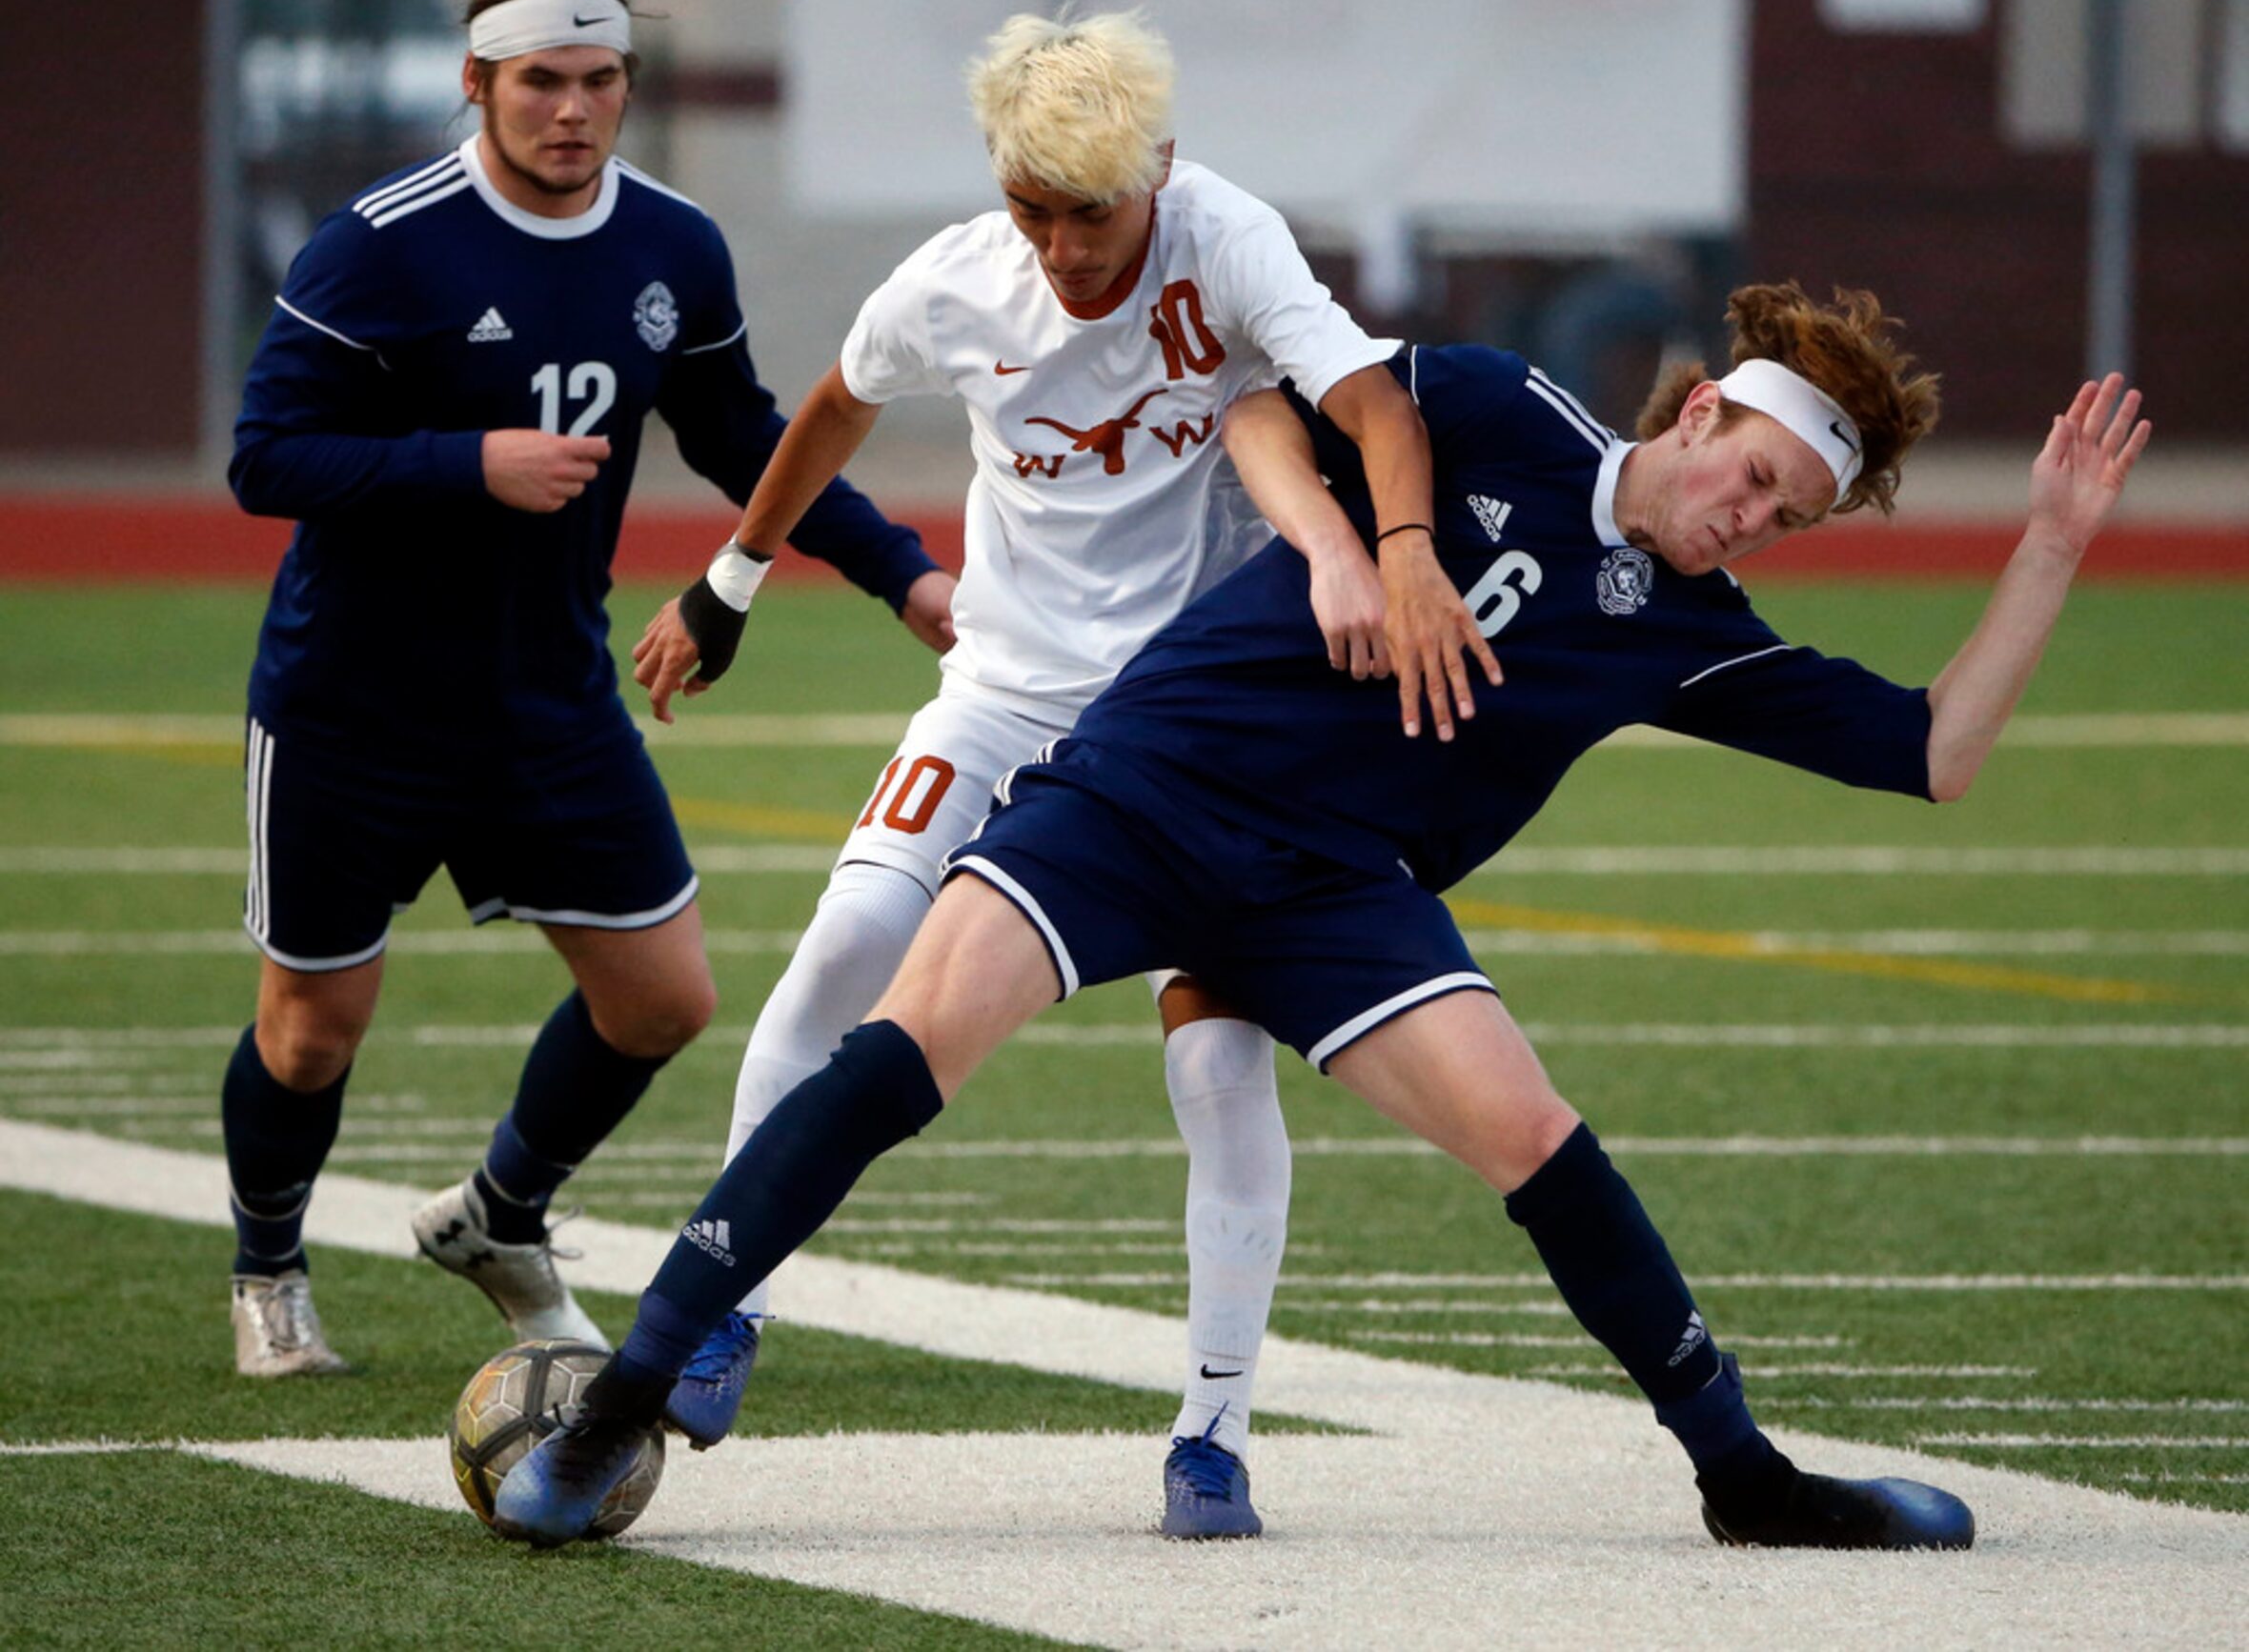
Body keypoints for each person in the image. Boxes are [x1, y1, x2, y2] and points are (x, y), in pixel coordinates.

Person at [495, 279, 2151, 1550]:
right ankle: (621, 1403)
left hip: (1332, 884)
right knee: (908, 1043)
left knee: (1535, 1130)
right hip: (1150, 779)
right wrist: (1386, 547)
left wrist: (2054, 549)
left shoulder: (1690, 630)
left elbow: (1935, 752)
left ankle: (1748, 1478)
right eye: (1759, 480)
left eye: (1788, 516)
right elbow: (1267, 414)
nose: (1754, 521)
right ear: (1705, 408)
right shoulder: (1497, 409)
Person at [627, 9, 1487, 1539]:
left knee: (1218, 1065)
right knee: (840, 958)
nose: (1066, 246)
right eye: (1034, 209)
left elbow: (1370, 402)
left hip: (1191, 730)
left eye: (1092, 212)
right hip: (1001, 697)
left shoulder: (1225, 240)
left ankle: (1214, 1431)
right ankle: (727, 1303)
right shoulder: (957, 279)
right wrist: (732, 580)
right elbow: (833, 404)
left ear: (1154, 169)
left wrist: (1400, 553)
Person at [221, 0, 954, 1380]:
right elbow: (264, 459)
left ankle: (499, 1211)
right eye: (541, 82)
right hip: (351, 705)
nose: (572, 111)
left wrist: (904, 572)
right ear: (478, 84)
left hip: (547, 695)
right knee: (312, 1032)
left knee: (664, 996)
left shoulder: (673, 246)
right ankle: (267, 1263)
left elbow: (745, 432)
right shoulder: (378, 244)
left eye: (600, 80)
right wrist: (463, 461)